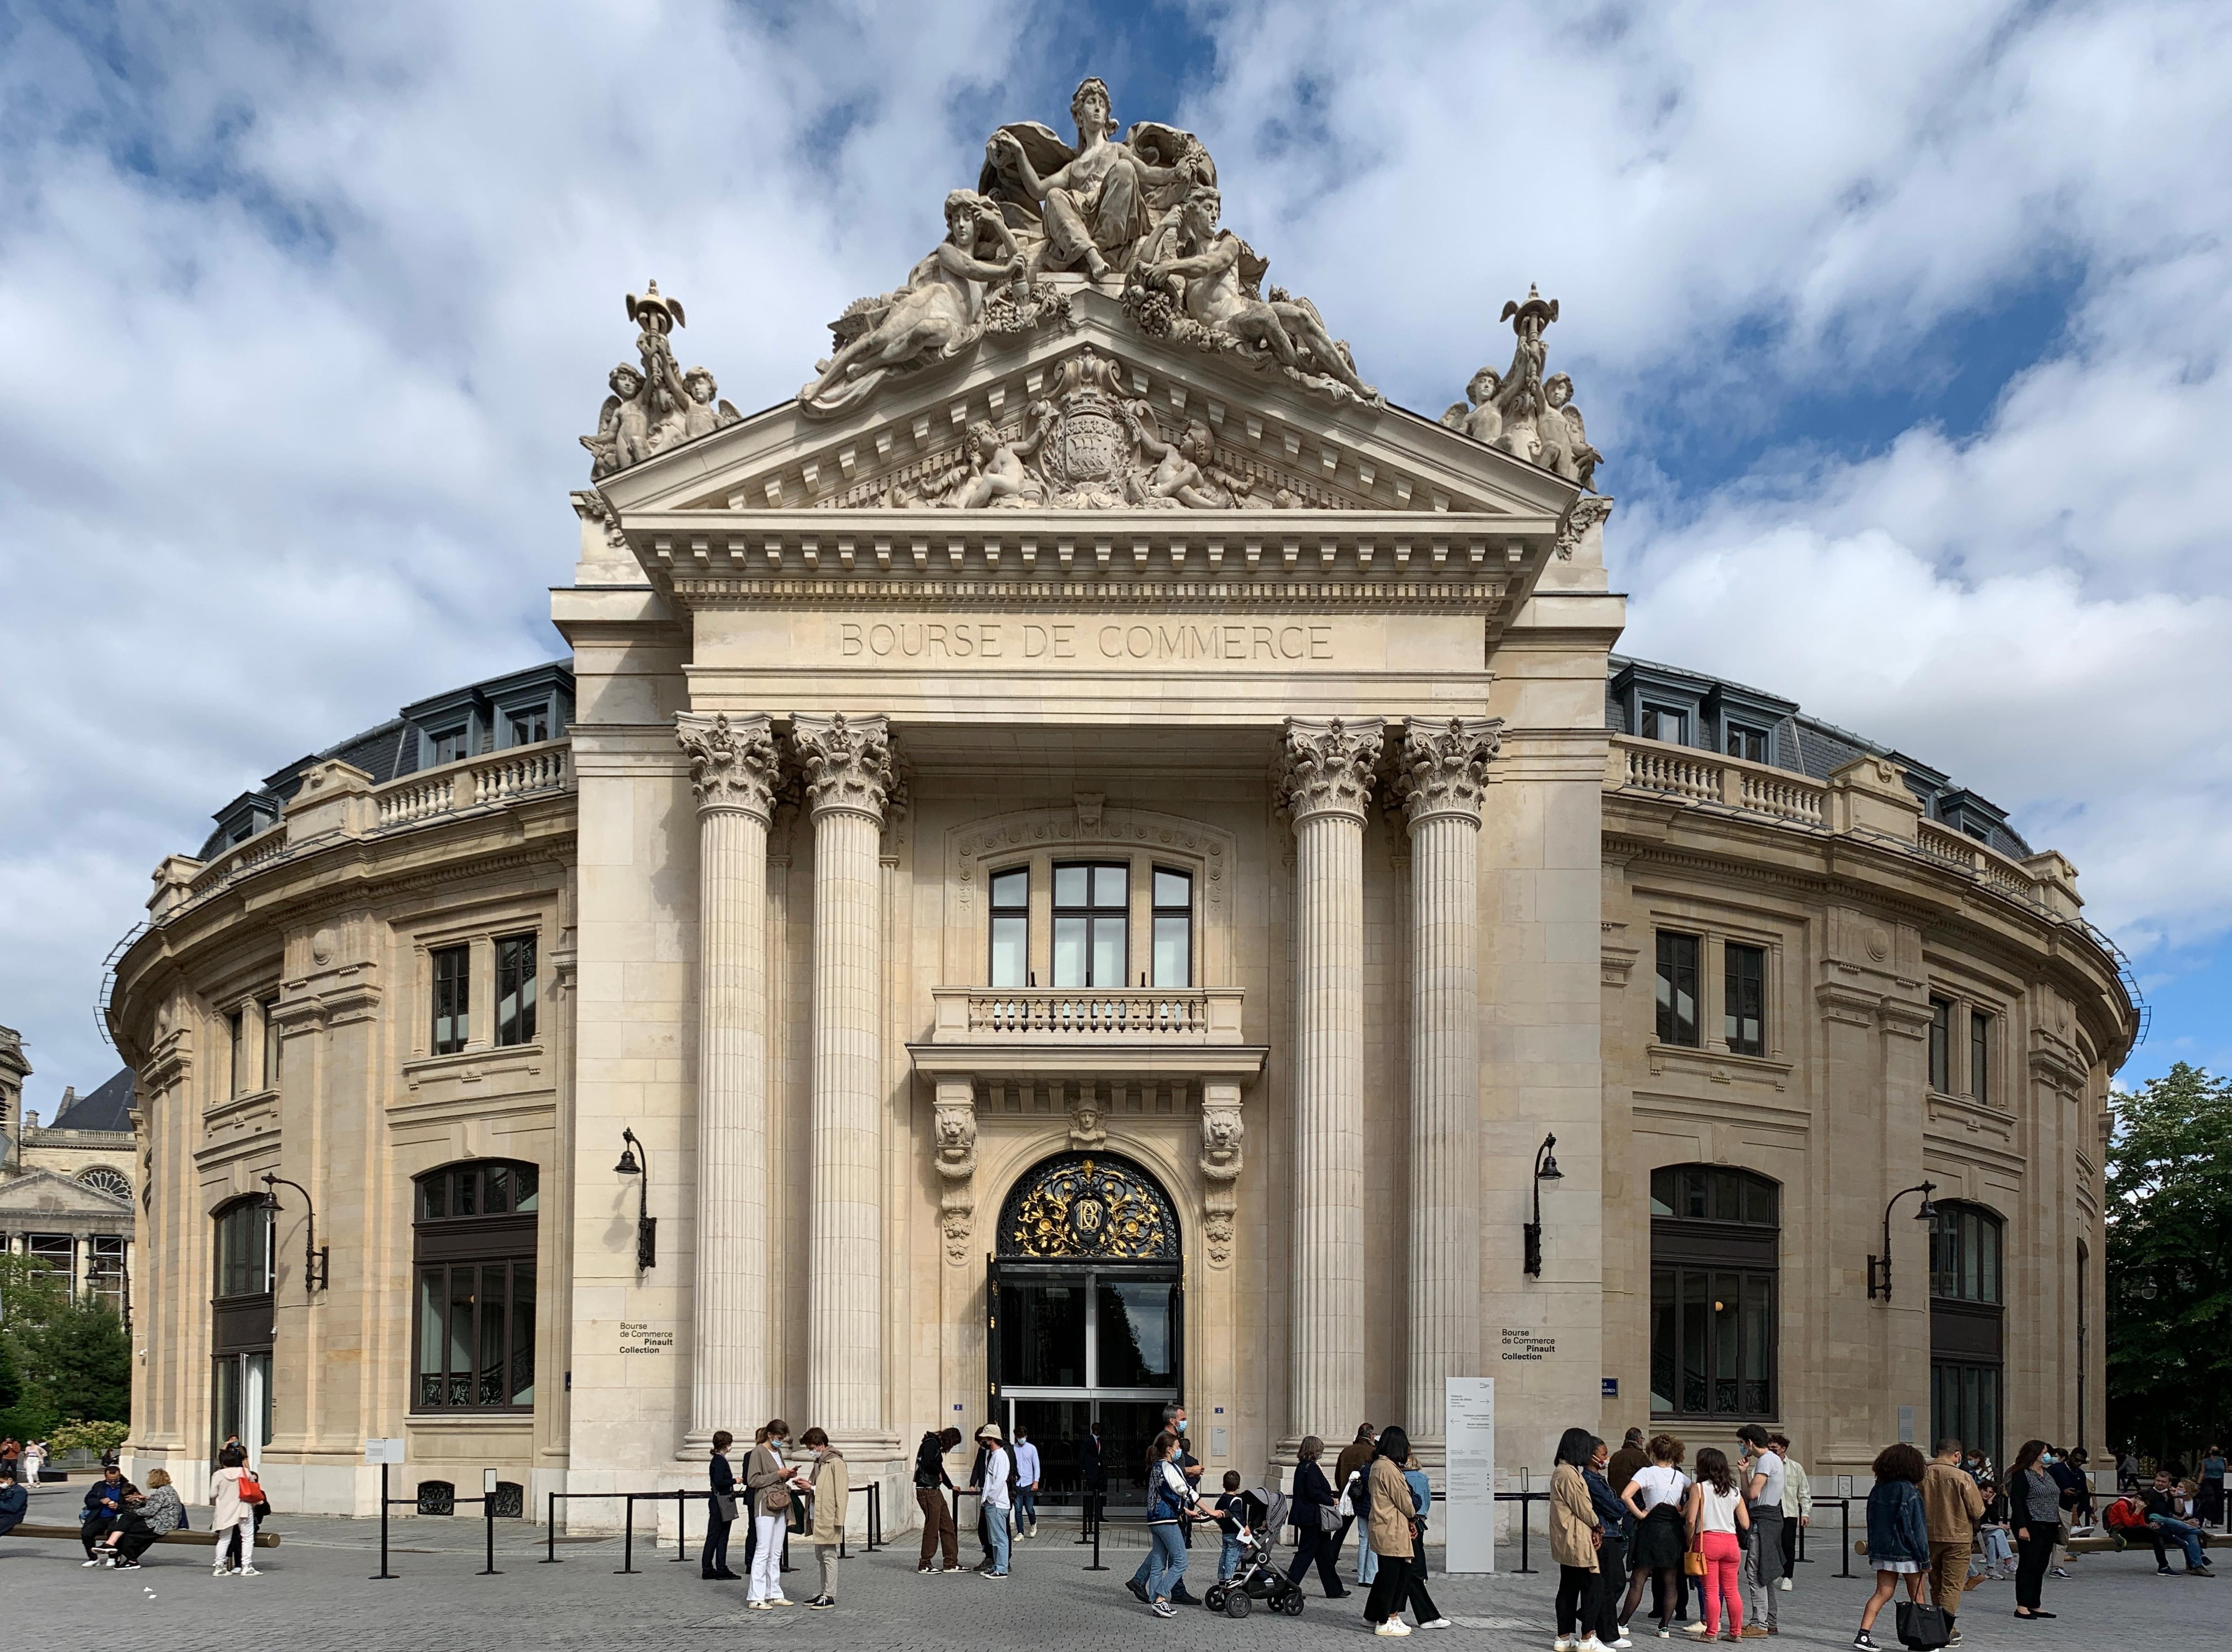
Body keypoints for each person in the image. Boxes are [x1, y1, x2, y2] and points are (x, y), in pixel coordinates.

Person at [1361, 1424, 1444, 1636]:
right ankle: (1387, 1619)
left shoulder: (1381, 1466)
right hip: (1391, 1527)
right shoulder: (1388, 1468)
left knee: (1393, 1574)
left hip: (1390, 1525)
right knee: (1394, 1576)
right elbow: (1405, 1501)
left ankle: (1382, 1616)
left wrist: (1410, 1521)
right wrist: (1412, 1515)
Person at [1852, 1443, 1928, 1651]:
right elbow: (1916, 1529)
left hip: (1883, 1551)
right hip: (1906, 1552)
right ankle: (1920, 1641)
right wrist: (1925, 1559)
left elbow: (1872, 1521)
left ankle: (1863, 1635)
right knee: (1918, 1596)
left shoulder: (1878, 1489)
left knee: (1882, 1593)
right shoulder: (1909, 1491)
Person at [1620, 1434, 1692, 1637]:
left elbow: (1626, 1495)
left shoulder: (1646, 1473)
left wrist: (1641, 1514)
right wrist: (1684, 1512)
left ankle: (1623, 1622)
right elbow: (1696, 1491)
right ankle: (1665, 1627)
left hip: (1651, 1528)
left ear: (1652, 1452)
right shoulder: (1679, 1476)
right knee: (1671, 1581)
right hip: (1672, 1530)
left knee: (1639, 1579)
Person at [1922, 1438, 1984, 1644]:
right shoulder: (1963, 1477)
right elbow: (1977, 1510)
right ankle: (1944, 1630)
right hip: (1958, 1537)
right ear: (1957, 1455)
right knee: (1952, 1586)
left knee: (1936, 1584)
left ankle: (1942, 1626)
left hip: (1928, 1536)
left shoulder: (1921, 1475)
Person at [1551, 1426, 1607, 1652]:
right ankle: (1588, 1637)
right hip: (1576, 1537)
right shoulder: (1568, 1474)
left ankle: (1564, 1637)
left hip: (1568, 1537)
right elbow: (1582, 1507)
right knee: (1594, 1585)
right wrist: (1597, 1525)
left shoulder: (1564, 1471)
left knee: (1569, 1587)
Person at [1683, 1446, 1747, 1643]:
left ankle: (1711, 1633)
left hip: (1708, 1541)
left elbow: (1691, 1520)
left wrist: (1689, 1540)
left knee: (1711, 1590)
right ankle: (1736, 1632)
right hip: (1731, 1542)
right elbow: (1745, 1523)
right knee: (1732, 1591)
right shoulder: (1735, 1491)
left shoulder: (1700, 1488)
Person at [744, 1418, 807, 1609]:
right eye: (779, 1437)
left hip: (781, 1502)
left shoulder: (777, 1451)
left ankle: (774, 1593)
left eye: (784, 1437)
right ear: (770, 1435)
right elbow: (753, 1481)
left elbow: (778, 1475)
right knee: (763, 1549)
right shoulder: (758, 1452)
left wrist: (789, 1475)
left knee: (776, 1551)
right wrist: (777, 1475)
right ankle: (756, 1597)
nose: (781, 1440)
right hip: (765, 1503)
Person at [1285, 1434, 1352, 1599]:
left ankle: (1334, 1589)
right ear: (1315, 1451)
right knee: (1306, 1553)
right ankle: (1289, 1585)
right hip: (1313, 1517)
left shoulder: (1302, 1467)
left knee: (1324, 1555)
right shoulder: (1311, 1468)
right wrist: (1331, 1500)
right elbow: (1314, 1492)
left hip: (1309, 1516)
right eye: (1320, 1450)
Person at [1140, 1430, 1199, 1617]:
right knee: (1181, 1561)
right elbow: (1184, 1492)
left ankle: (1154, 1601)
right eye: (1178, 1447)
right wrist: (1209, 1510)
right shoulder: (1168, 1467)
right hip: (1167, 1519)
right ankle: (1161, 1597)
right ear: (1169, 1450)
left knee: (1158, 1561)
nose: (1180, 1450)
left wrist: (1187, 1511)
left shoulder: (1156, 1467)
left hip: (1155, 1519)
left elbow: (1167, 1496)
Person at [1736, 1424, 1784, 1638]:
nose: (1742, 1447)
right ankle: (1770, 1620)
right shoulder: (1774, 1459)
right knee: (1767, 1572)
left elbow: (1751, 1494)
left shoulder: (1765, 1461)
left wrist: (1744, 1477)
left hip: (1763, 1521)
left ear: (1750, 1443)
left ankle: (1759, 1623)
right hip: (1772, 1519)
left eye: (1742, 1443)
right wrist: (1745, 1473)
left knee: (1755, 1572)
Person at [1586, 1437, 1634, 1650]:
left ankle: (1598, 1620)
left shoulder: (1599, 1479)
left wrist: (1619, 1505)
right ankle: (1606, 1630)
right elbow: (1615, 1508)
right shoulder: (1590, 1480)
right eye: (1604, 1454)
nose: (1606, 1458)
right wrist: (1620, 1505)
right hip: (1605, 1535)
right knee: (1612, 1583)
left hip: (1613, 1533)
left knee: (1614, 1583)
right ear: (1593, 1456)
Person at [2007, 1439, 2062, 1620]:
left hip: (2050, 1523)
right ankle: (2022, 1605)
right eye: (2044, 1452)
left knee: (2040, 1565)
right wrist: (2022, 1526)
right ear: (2035, 1454)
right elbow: (2017, 1501)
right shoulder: (2022, 1474)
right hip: (2032, 1524)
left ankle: (2034, 1603)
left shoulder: (2047, 1473)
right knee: (2028, 1564)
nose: (2047, 1456)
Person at [800, 1427, 847, 1609]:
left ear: (821, 1445)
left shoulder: (836, 1462)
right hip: (816, 1514)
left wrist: (839, 1519)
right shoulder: (820, 1463)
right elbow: (818, 1487)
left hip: (828, 1515)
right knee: (820, 1556)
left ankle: (830, 1595)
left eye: (812, 1448)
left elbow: (839, 1493)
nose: (810, 1452)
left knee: (829, 1555)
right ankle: (823, 1591)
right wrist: (808, 1486)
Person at [99, 1469, 185, 1568]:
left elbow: (150, 1511)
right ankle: (122, 1553)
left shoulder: (161, 1493)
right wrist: (146, 1499)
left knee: (128, 1526)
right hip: (167, 1521)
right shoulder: (168, 1490)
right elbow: (159, 1505)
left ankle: (119, 1551)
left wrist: (134, 1512)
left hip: (161, 1523)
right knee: (129, 1527)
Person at [2139, 1467, 2215, 1575]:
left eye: (2163, 1482)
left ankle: (2197, 1567)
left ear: (2169, 1483)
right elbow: (2140, 1512)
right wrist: (2147, 1523)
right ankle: (2200, 1532)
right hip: (2157, 1526)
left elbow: (2179, 1512)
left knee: (2190, 1535)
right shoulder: (2147, 1493)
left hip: (2173, 1526)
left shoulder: (2171, 1494)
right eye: (2158, 1481)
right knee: (2158, 1517)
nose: (2160, 1484)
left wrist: (2176, 1498)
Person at [915, 1425, 963, 1574]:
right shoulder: (931, 1443)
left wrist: (951, 1486)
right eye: (953, 1444)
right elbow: (929, 1464)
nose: (951, 1448)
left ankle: (950, 1563)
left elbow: (939, 1467)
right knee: (932, 1528)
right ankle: (925, 1564)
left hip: (935, 1490)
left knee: (948, 1526)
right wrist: (938, 1474)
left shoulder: (935, 1444)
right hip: (927, 1490)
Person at [208, 1444, 258, 1577]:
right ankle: (246, 1566)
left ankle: (219, 1567)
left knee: (224, 1539)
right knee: (247, 1538)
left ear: (222, 1462)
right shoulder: (244, 1472)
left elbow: (213, 1494)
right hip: (243, 1507)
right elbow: (253, 1484)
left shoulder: (218, 1475)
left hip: (225, 1509)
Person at [1769, 1434, 1810, 1589]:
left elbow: (1804, 1491)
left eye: (1775, 1448)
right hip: (1772, 1511)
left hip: (1789, 1511)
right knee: (1772, 1544)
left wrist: (1805, 1512)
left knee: (1788, 1545)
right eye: (1770, 1448)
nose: (1772, 1451)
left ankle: (1788, 1576)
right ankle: (1775, 1572)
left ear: (1783, 1449)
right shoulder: (1765, 1465)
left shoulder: (1796, 1467)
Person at [1333, 1423, 1377, 1564]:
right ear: (1370, 1435)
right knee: (1367, 1536)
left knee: (1341, 1531)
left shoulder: (1346, 1451)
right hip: (1364, 1498)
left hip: (1347, 1497)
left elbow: (1337, 1475)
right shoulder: (1372, 1451)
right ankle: (1366, 1568)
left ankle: (1330, 1557)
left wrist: (1343, 1491)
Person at [700, 1430, 740, 1581]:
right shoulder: (719, 1460)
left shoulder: (719, 1460)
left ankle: (717, 1567)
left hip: (719, 1502)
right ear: (725, 1444)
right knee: (717, 1536)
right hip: (720, 1502)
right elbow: (719, 1482)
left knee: (720, 1536)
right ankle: (711, 1568)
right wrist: (734, 1481)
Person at [978, 1421, 1014, 1579]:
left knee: (999, 1538)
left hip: (997, 1503)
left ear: (991, 1438)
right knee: (995, 1538)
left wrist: (990, 1499)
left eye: (985, 1438)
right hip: (994, 1503)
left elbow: (999, 1480)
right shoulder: (996, 1456)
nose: (984, 1441)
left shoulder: (1000, 1456)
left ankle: (1002, 1569)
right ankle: (998, 1566)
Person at [79, 1462, 133, 1565]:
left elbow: (134, 1505)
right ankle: (93, 1559)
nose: (113, 1483)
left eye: (116, 1480)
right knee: (86, 1533)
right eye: (110, 1481)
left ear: (120, 1476)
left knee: (112, 1532)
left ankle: (113, 1557)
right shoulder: (99, 1486)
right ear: (106, 1477)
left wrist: (119, 1506)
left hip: (117, 1517)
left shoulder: (127, 1487)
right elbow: (89, 1500)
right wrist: (100, 1501)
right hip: (99, 1516)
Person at [1213, 1470, 1251, 1581]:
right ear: (1239, 1486)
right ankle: (1229, 1578)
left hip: (1225, 1532)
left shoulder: (1222, 1499)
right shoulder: (1236, 1501)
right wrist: (1245, 1526)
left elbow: (1216, 1512)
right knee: (1232, 1556)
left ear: (1224, 1485)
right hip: (1235, 1533)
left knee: (1224, 1555)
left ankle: (1221, 1576)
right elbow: (1238, 1516)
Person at [1012, 1422, 1042, 1541]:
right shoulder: (1013, 1449)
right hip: (1017, 1483)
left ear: (1026, 1436)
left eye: (1023, 1436)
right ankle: (1020, 1532)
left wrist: (1036, 1481)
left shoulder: (1032, 1449)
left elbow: (1037, 1465)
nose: (1021, 1439)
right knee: (1018, 1509)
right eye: (1019, 1437)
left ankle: (1033, 1524)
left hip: (1029, 1482)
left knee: (1029, 1508)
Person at [1608, 1429, 1650, 1495]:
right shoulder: (1640, 1456)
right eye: (1642, 1439)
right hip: (1634, 1501)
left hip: (1617, 1500)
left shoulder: (1615, 1456)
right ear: (1638, 1439)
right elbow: (1651, 1478)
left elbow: (1610, 1480)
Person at [2200, 1446, 2226, 1531]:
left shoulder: (2223, 1460)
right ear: (2210, 1451)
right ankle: (2208, 1518)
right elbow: (2203, 1472)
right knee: (2210, 1499)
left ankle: (2216, 1520)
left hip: (2219, 1482)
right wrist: (2199, 1483)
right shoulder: (2206, 1461)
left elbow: (2226, 1472)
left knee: (2219, 1500)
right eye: (2213, 1449)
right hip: (2209, 1481)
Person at [0, 1467, 26, 1540]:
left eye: (1, 1482)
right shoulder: (4, 1490)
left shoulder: (20, 1491)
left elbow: (14, 1508)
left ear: (10, 1480)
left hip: (13, 1517)